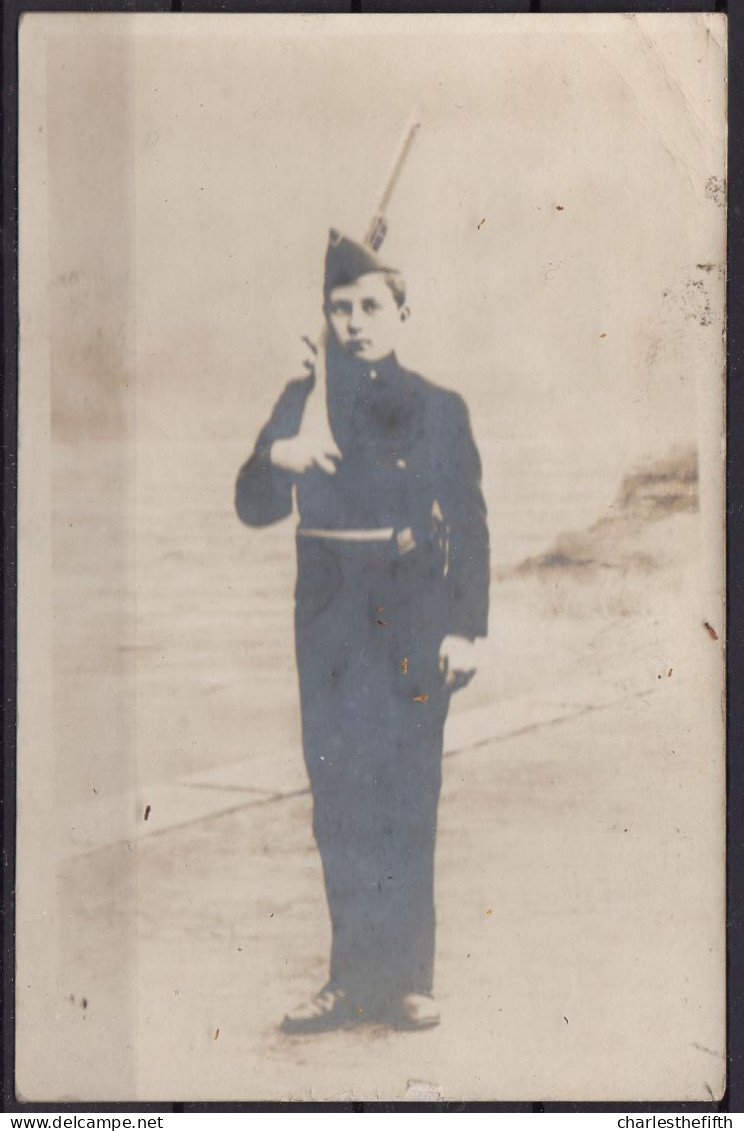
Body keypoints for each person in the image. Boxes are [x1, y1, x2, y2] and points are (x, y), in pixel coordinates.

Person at [235, 230, 489, 1032]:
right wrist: (284, 447)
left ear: (402, 313)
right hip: (328, 615)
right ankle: (347, 980)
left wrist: (468, 628)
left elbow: (473, 525)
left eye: (371, 305)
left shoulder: (440, 408)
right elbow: (251, 504)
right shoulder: (306, 398)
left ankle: (409, 978)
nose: (354, 322)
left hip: (411, 608)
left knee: (407, 790)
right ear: (324, 321)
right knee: (338, 795)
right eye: (339, 309)